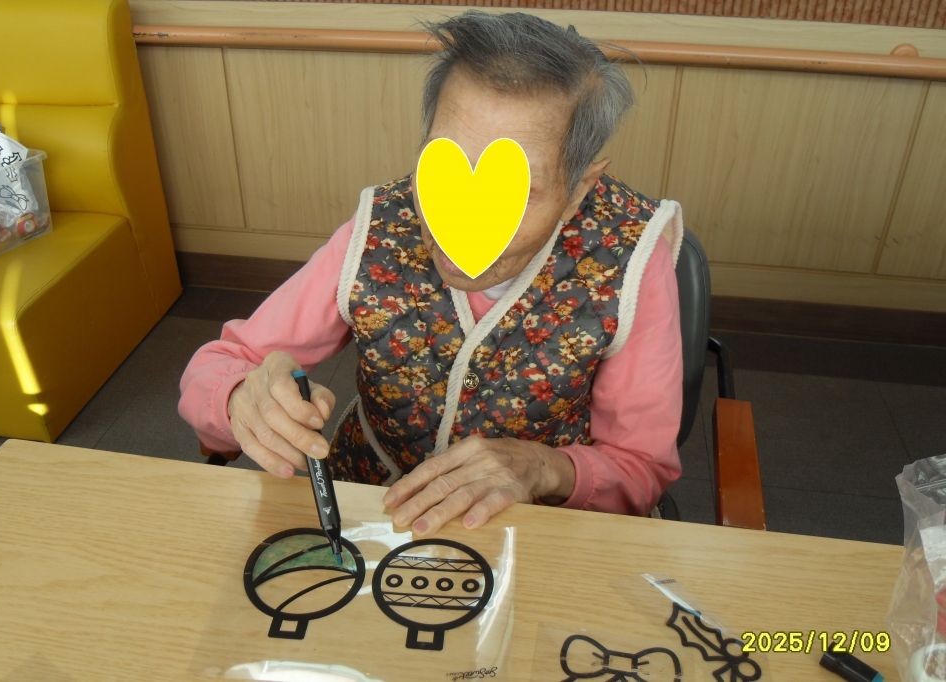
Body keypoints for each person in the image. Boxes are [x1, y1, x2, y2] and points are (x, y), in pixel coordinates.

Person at [179, 11, 685, 538]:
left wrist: (544, 467)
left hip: (532, 529)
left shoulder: (630, 257)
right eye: (445, 169)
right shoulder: (381, 225)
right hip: (369, 505)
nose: (459, 223)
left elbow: (640, 467)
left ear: (580, 188)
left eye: (514, 192)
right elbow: (218, 365)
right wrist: (240, 397)